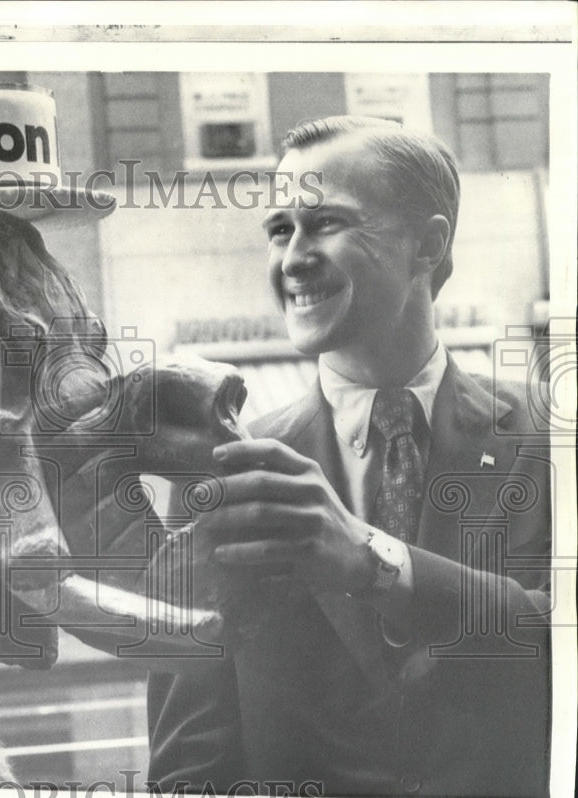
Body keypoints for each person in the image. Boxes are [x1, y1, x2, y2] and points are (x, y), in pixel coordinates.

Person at [146, 116, 552, 797]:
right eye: (280, 230)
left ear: (428, 244)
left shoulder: (551, 437)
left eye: (326, 222)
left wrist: (372, 562)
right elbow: (192, 768)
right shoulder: (232, 470)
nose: (293, 257)